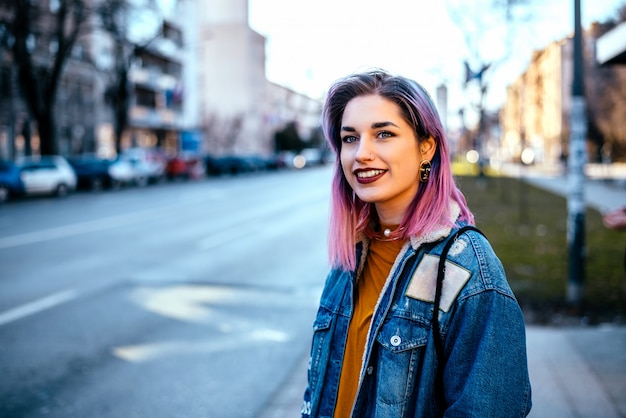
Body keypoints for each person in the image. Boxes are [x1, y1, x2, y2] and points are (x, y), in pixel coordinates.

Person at [301, 69, 531, 417]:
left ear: (427, 147)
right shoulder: (349, 256)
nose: (361, 153)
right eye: (350, 138)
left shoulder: (467, 270)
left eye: (384, 134)